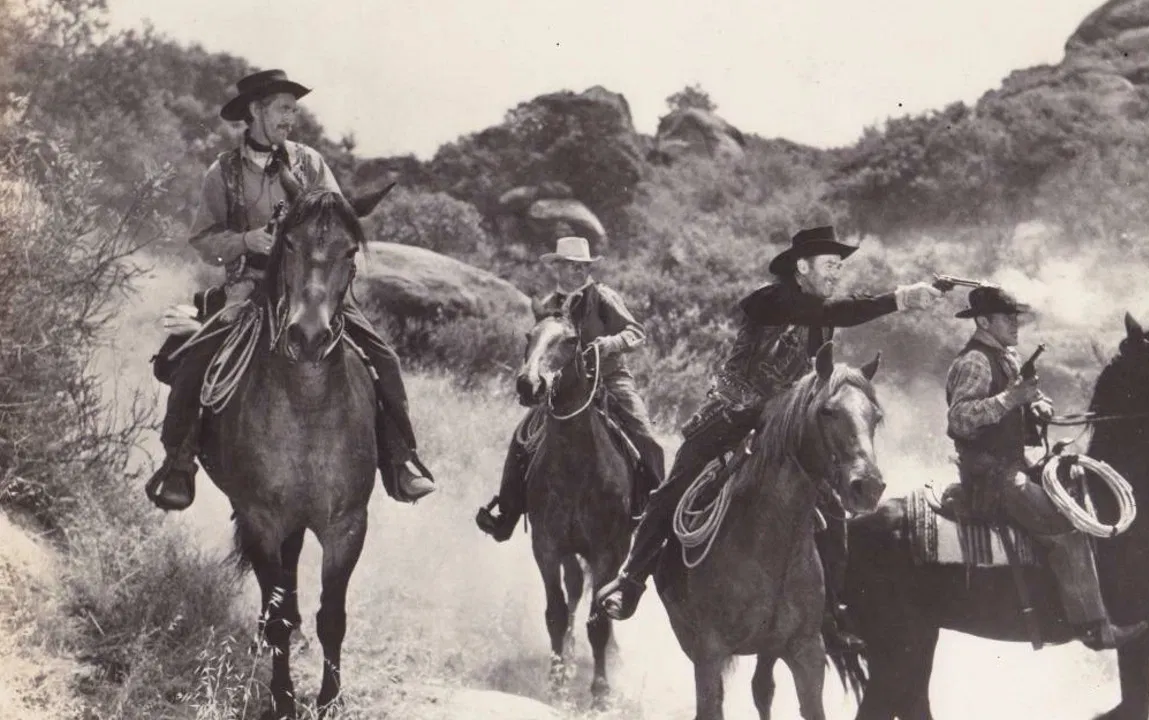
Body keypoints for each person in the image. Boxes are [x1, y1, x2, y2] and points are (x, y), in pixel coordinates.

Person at [595, 225, 944, 640]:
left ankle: (832, 610)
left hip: (782, 427)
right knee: (673, 491)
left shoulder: (820, 314)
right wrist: (900, 298)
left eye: (837, 267)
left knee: (833, 507)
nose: (836, 274)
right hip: (729, 416)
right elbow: (831, 311)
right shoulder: (772, 298)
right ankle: (631, 581)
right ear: (802, 266)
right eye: (830, 265)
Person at [145, 69, 436, 511]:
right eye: (283, 108)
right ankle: (179, 466)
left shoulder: (310, 163)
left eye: (293, 109)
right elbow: (203, 239)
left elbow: (339, 218)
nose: (290, 118)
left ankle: (400, 461)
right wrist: (247, 240)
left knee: (384, 358)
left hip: (312, 290)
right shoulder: (221, 173)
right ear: (255, 111)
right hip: (249, 287)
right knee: (193, 359)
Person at [944, 286, 1147, 650]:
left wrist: (1039, 406)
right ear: (983, 321)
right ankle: (1093, 628)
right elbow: (960, 419)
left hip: (1013, 464)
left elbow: (1030, 397)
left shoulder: (1005, 355)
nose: (1016, 324)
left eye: (1016, 318)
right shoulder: (974, 361)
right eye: (1008, 318)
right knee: (1065, 525)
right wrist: (1011, 399)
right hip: (993, 475)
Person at [475, 235, 665, 540]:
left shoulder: (602, 297)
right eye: (572, 266)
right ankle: (506, 514)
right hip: (563, 389)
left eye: (584, 266)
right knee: (522, 439)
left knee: (646, 436)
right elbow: (540, 347)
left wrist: (612, 342)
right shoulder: (548, 305)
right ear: (558, 268)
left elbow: (636, 332)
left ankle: (659, 512)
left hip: (610, 380)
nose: (579, 271)